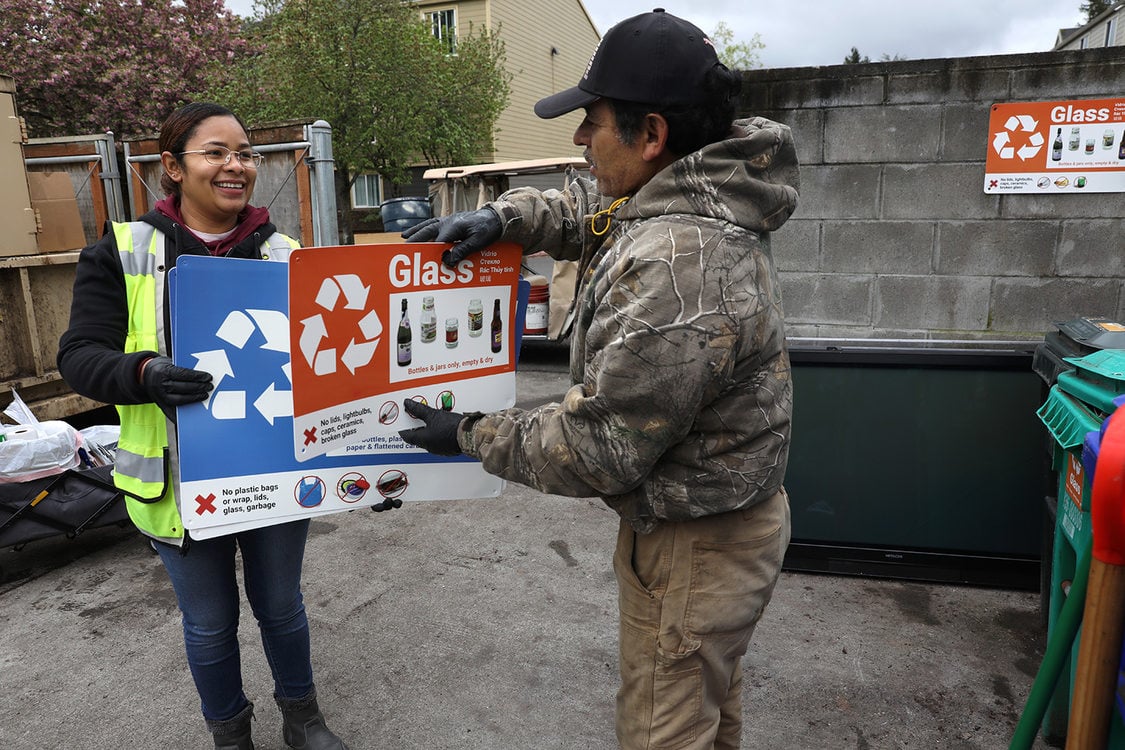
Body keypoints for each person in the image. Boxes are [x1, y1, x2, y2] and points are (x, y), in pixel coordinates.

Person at [398, 8, 798, 750]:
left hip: (695, 544)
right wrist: (504, 217)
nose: (579, 138)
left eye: (593, 120)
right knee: (707, 708)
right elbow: (593, 207)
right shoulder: (695, 189)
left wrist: (465, 433)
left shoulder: (679, 266)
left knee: (664, 730)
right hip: (717, 522)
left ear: (649, 135)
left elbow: (600, 447)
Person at [57, 102, 349, 750]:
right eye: (215, 151)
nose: (236, 165)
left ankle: (302, 719)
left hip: (271, 470)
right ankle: (230, 734)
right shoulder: (123, 251)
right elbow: (79, 356)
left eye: (244, 152)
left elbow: (330, 365)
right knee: (211, 624)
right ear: (172, 166)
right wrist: (142, 374)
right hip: (178, 485)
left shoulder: (286, 254)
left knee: (281, 608)